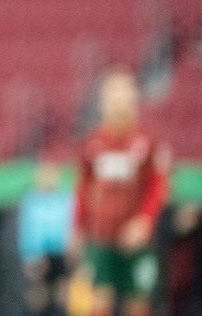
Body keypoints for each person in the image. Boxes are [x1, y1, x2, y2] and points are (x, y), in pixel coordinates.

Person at [74, 69, 169, 316]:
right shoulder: (93, 142)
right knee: (98, 302)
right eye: (115, 96)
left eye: (126, 96)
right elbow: (83, 187)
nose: (120, 103)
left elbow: (159, 186)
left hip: (136, 242)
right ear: (104, 102)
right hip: (100, 238)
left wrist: (145, 221)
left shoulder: (147, 142)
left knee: (138, 304)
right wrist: (77, 227)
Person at [18, 160, 74, 316]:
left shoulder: (65, 197)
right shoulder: (31, 200)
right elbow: (26, 230)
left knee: (61, 293)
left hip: (60, 251)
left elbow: (70, 225)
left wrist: (71, 249)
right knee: (37, 295)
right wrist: (29, 256)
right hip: (37, 252)